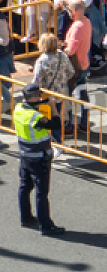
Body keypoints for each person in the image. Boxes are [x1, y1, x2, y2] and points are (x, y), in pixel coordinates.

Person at [15, 81, 63, 236]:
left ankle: (26, 218)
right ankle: (46, 226)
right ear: (35, 98)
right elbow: (56, 125)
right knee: (41, 193)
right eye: (39, 96)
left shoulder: (18, 109)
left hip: (24, 156)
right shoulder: (35, 116)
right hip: (39, 158)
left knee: (24, 187)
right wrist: (53, 107)